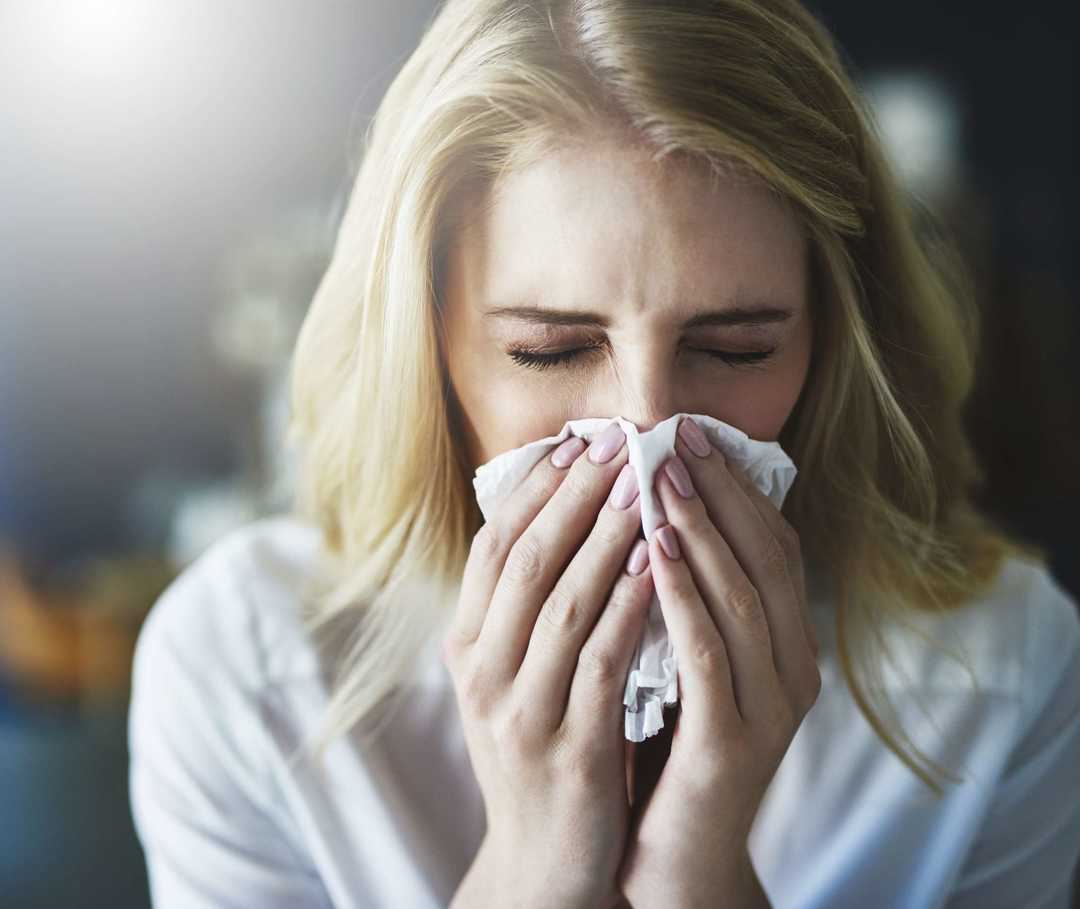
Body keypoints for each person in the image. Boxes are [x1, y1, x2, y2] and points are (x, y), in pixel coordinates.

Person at [127, 0, 1080, 906]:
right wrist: (532, 871)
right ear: (426, 344)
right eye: (550, 349)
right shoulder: (246, 675)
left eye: (734, 348)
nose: (645, 433)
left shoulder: (999, 681)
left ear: (830, 342)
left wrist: (700, 870)